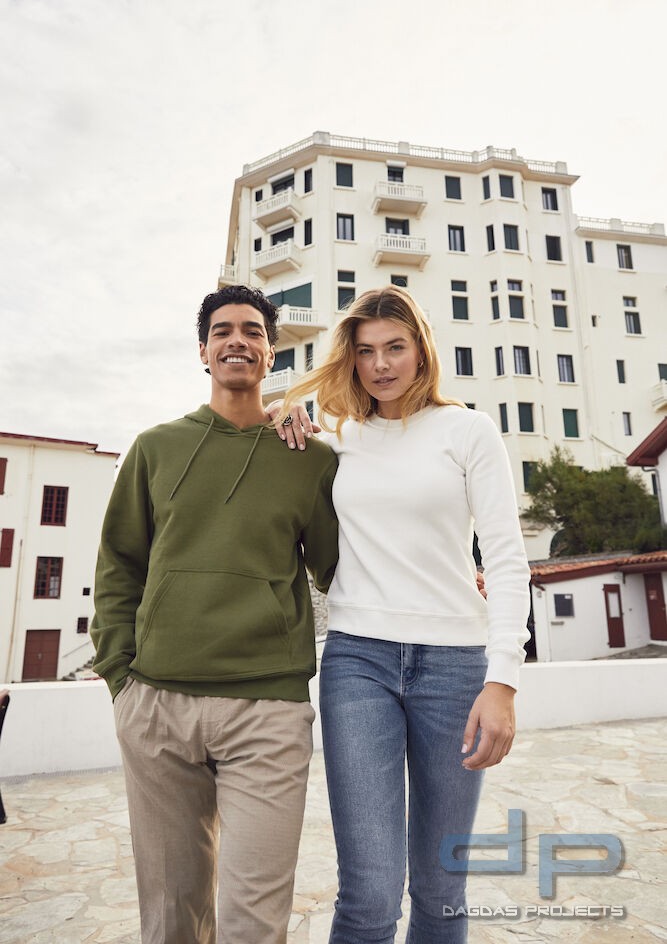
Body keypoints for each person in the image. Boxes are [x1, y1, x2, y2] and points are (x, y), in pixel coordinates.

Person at [275, 285, 530, 943]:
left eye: (395, 347)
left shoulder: (469, 431)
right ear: (351, 360)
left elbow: (504, 557)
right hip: (357, 663)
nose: (381, 364)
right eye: (365, 352)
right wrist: (283, 418)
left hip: (455, 669)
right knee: (367, 897)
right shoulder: (337, 435)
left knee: (441, 891)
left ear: (420, 349)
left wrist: (501, 680)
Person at [91, 285, 338, 944]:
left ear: (270, 352)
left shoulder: (308, 458)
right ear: (202, 351)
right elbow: (119, 566)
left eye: (253, 331)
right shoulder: (153, 449)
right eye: (223, 331)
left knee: (253, 922)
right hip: (158, 707)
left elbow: (340, 568)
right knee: (172, 918)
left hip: (268, 710)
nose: (238, 340)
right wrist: (122, 680)